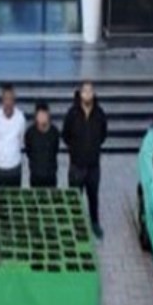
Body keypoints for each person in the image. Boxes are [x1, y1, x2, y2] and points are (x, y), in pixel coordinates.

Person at [63, 81, 109, 237]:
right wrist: (75, 150)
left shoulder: (100, 114)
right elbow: (66, 135)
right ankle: (74, 225)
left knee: (93, 196)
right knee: (74, 197)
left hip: (93, 166)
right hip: (76, 165)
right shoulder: (72, 114)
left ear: (94, 94)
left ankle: (94, 223)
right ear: (80, 94)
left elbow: (103, 135)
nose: (88, 94)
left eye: (90, 91)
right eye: (85, 91)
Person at [0, 84, 26, 188]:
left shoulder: (21, 118)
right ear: (2, 100)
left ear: (14, 100)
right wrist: (1, 156)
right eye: (6, 99)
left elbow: (21, 140)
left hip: (15, 166)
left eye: (11, 99)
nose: (8, 102)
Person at [25, 102, 60, 188]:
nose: (42, 118)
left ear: (48, 115)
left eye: (44, 115)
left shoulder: (54, 132)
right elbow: (28, 151)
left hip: (51, 176)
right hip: (35, 176)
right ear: (36, 117)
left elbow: (55, 149)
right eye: (40, 115)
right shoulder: (30, 133)